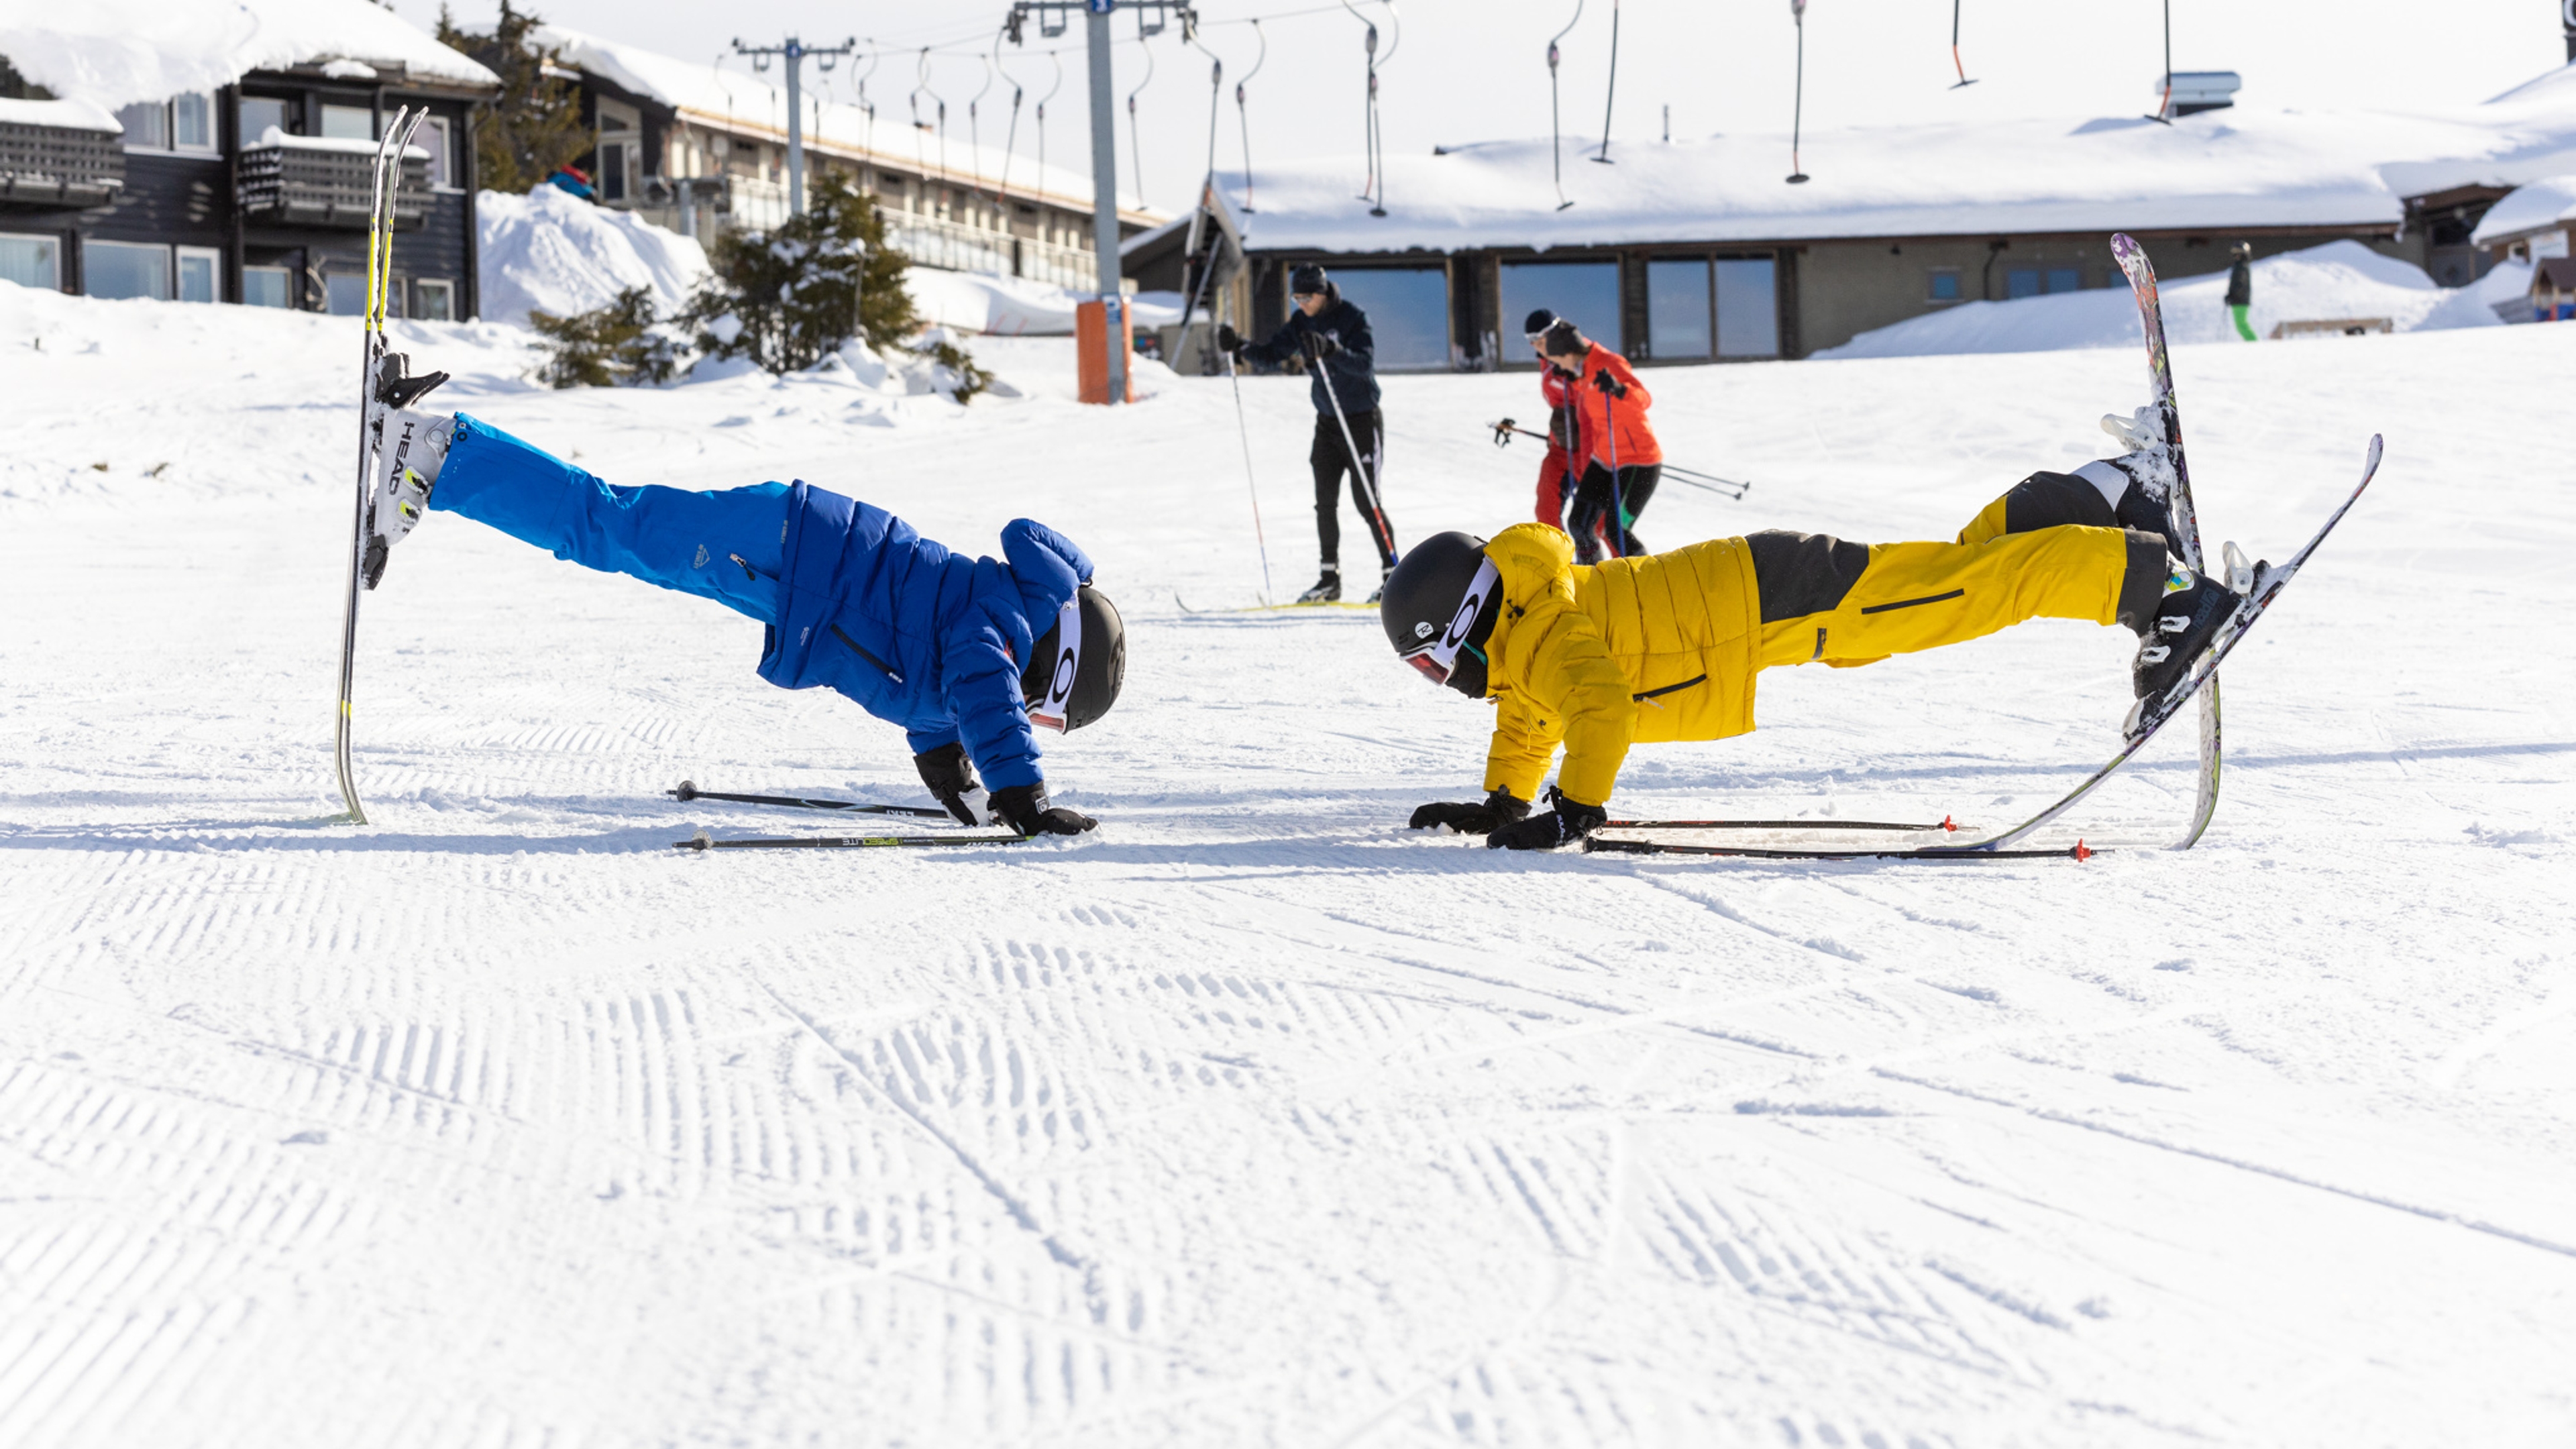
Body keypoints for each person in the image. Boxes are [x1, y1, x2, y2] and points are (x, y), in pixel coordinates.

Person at [1379, 413, 2249, 849]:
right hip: (1771, 602)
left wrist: (1577, 809)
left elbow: (1597, 706)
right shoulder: (1533, 632)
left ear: (1463, 625)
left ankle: (2165, 594)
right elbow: (1537, 713)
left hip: (1779, 597)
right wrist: (1502, 800)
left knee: (1969, 594)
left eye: (1427, 662)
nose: (1433, 678)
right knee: (1955, 580)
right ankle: (2110, 494)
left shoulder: (1548, 631)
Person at [358, 405, 1124, 836]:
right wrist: (1024, 797)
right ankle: (438, 452)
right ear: (1057, 670)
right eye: (1047, 714)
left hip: (797, 565)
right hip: (794, 553)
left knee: (610, 528)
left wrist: (956, 778)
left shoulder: (979, 630)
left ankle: (438, 458)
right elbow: (981, 686)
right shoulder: (997, 623)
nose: (1032, 719)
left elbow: (934, 691)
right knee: (608, 526)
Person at [1218, 264, 1397, 604]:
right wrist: (1240, 348)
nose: (1301, 303)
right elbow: (1272, 355)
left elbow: (1365, 364)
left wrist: (1332, 351)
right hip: (1328, 422)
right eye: (1295, 297)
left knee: (1367, 501)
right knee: (1324, 502)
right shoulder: (1301, 323)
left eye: (1306, 297)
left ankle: (1393, 575)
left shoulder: (1353, 318)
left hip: (1360, 419)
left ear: (1323, 292)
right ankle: (1329, 579)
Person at [1538, 319, 1660, 563]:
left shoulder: (1609, 363)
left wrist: (1619, 389)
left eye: (1560, 361)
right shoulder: (1580, 372)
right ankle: (1593, 579)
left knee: (1615, 530)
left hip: (1639, 460)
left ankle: (1645, 579)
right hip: (1605, 458)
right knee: (1579, 524)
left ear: (1570, 353)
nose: (1560, 367)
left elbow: (1645, 399)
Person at [1521, 308, 1584, 531]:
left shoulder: (1578, 356)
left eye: (1538, 340)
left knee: (1599, 525)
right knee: (1546, 513)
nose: (1534, 346)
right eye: (1531, 341)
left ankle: (1617, 566)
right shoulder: (1546, 360)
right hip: (1561, 449)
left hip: (1590, 450)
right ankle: (1561, 564)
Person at [2226, 242, 2257, 341]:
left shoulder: (2241, 267)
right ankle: (2252, 343)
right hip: (2239, 300)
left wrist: (2233, 296)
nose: (2236, 257)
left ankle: (2254, 343)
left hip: (2240, 300)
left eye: (2237, 254)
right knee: (2240, 325)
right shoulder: (2241, 266)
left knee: (2241, 324)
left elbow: (2239, 285)